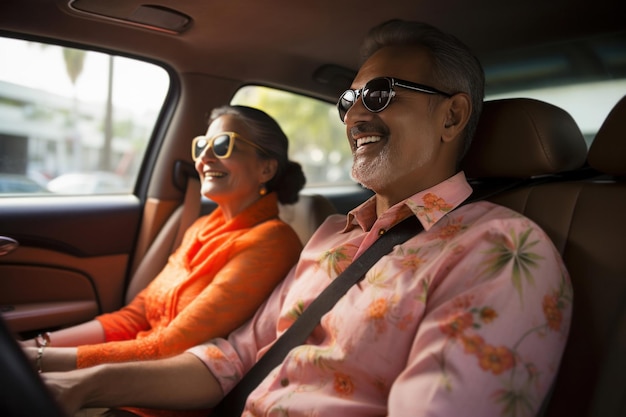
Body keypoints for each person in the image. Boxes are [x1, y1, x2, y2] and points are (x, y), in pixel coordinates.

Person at [43, 20, 572, 417]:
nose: (356, 115)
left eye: (380, 95)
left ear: (452, 115)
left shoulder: (500, 251)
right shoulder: (330, 238)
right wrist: (88, 384)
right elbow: (233, 359)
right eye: (348, 101)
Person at [24, 105, 306, 417]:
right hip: (120, 383)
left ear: (266, 168)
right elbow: (135, 315)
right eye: (201, 146)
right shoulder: (201, 228)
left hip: (169, 400)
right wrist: (39, 345)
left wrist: (39, 360)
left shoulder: (272, 241)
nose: (204, 158)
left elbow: (170, 347)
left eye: (223, 145)